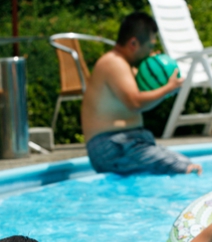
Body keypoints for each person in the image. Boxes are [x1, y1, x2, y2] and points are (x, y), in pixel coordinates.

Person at [81, 12, 202, 176]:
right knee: (186, 170)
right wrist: (169, 88)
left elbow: (145, 94)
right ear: (133, 43)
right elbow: (135, 103)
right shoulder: (113, 63)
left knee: (188, 165)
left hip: (126, 144)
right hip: (113, 145)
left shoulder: (126, 65)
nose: (151, 51)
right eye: (150, 47)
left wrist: (157, 72)